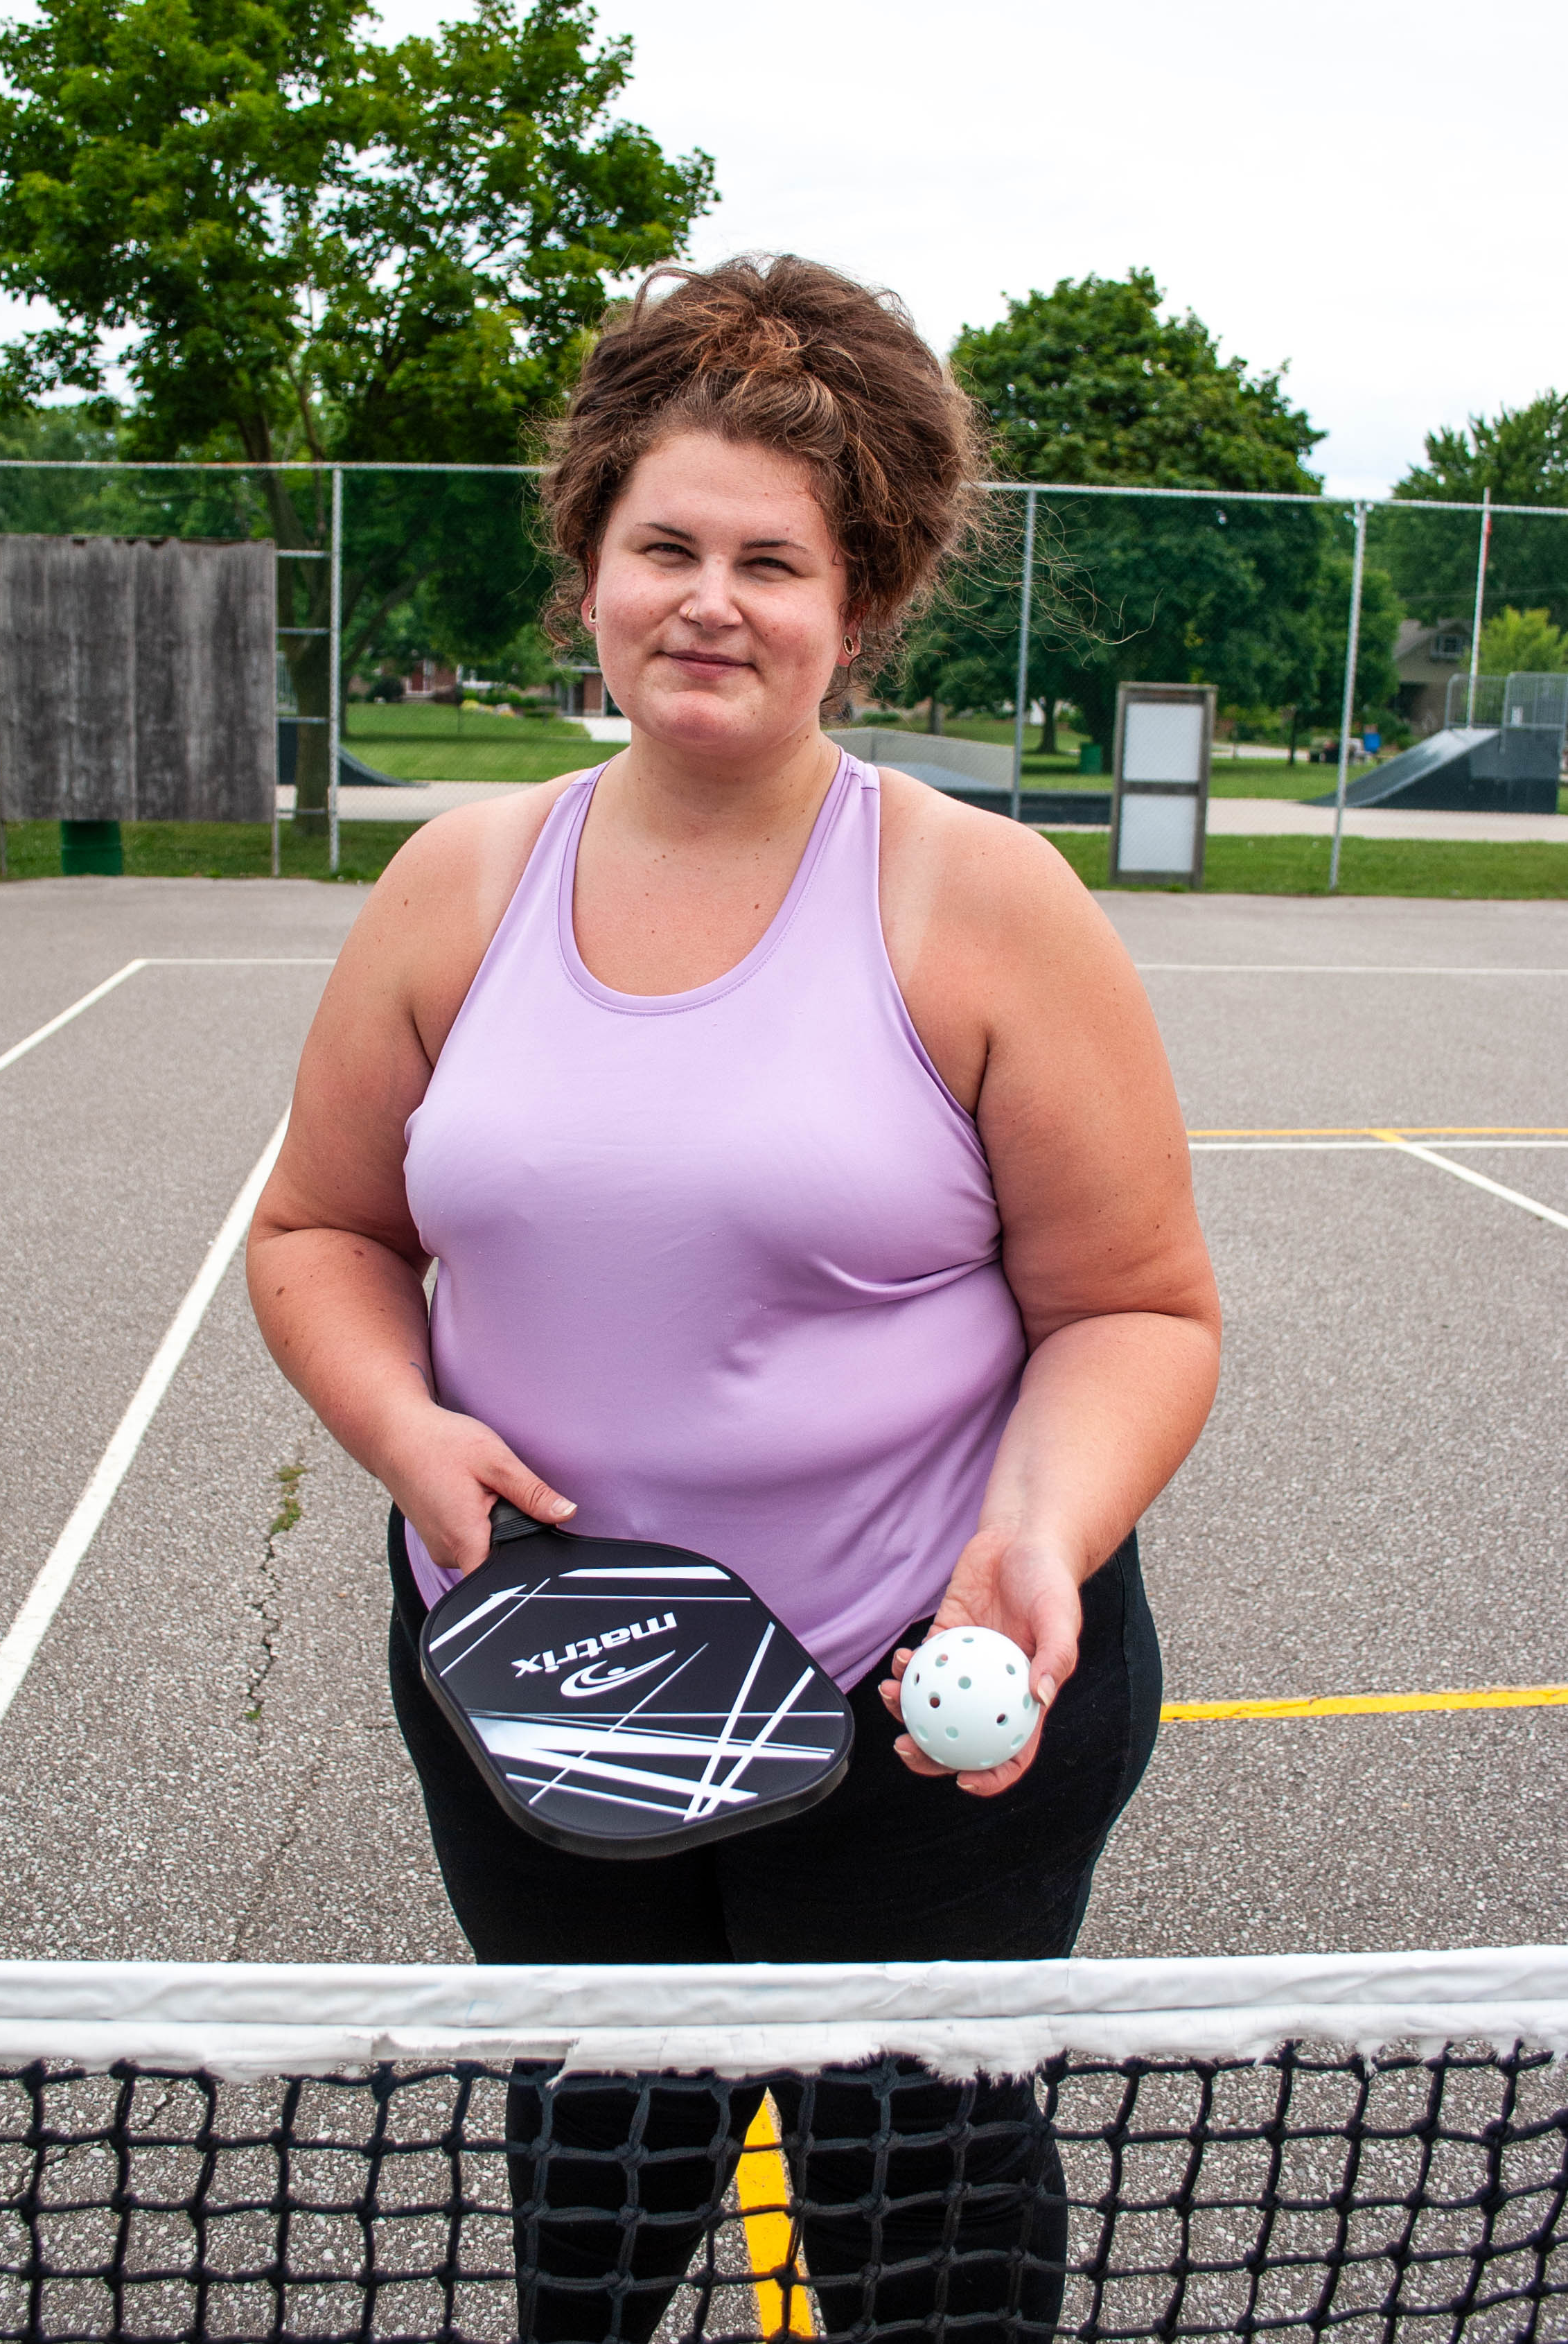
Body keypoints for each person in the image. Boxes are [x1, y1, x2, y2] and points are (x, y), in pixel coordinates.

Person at [247, 254, 1221, 2342]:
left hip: (917, 1690)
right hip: (549, 1680)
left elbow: (1135, 1307)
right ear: (587, 570)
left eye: (771, 559)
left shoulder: (984, 904)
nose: (709, 598)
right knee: (594, 2183)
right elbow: (320, 1230)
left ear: (859, 605)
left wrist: (1036, 1537)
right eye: (662, 542)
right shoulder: (455, 886)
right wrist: (403, 1434)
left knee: (917, 2225)